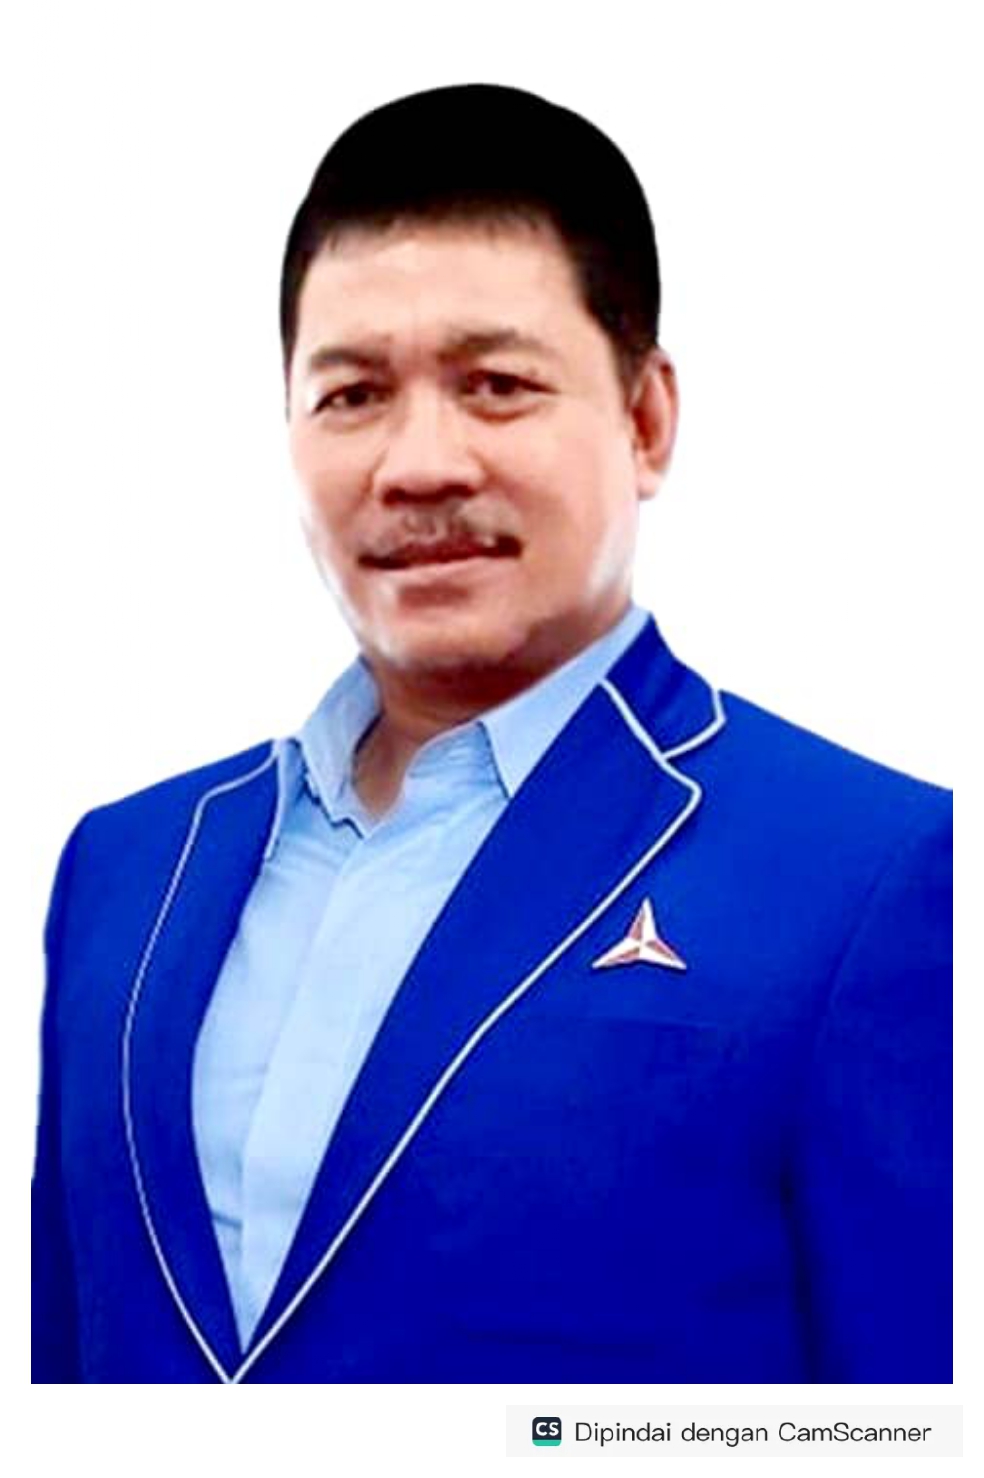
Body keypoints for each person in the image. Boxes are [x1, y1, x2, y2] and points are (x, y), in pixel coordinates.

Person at [32, 82, 951, 1385]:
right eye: (352, 394)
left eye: (496, 386)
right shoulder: (124, 866)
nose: (419, 463)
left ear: (646, 420)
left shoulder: (878, 874)